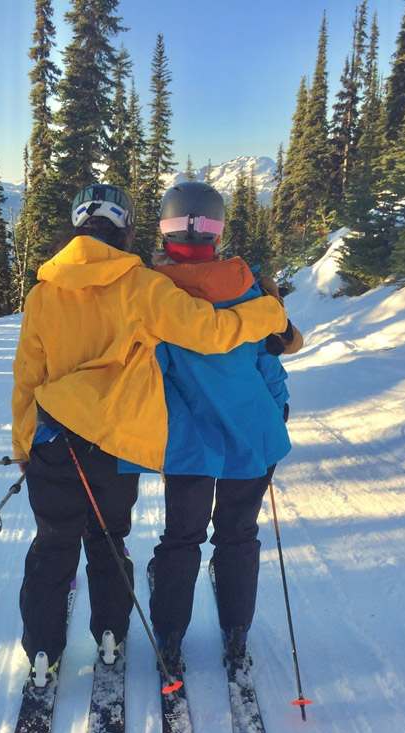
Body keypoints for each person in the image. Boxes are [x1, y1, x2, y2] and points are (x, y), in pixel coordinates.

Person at [11, 183, 291, 684]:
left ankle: (43, 653)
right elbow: (216, 335)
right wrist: (272, 314)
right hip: (116, 443)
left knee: (53, 544)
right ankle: (115, 638)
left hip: (58, 439)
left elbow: (27, 377)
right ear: (129, 230)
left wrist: (22, 444)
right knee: (111, 539)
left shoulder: (42, 294)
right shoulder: (142, 287)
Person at [146, 181, 303, 677]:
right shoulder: (249, 289)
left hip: (188, 442)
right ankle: (236, 635)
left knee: (181, 537)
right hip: (252, 435)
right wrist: (277, 411)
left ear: (165, 230)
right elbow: (267, 365)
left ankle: (169, 638)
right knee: (238, 535)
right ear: (217, 230)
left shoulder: (152, 294)